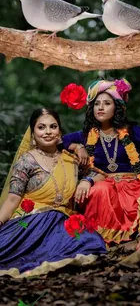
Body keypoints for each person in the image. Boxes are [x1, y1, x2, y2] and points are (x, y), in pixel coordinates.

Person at [0, 108, 106, 278]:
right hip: (30, 222)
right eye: (41, 127)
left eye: (53, 126)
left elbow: (101, 174)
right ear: (33, 134)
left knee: (91, 242)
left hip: (62, 222)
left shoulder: (72, 159)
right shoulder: (27, 160)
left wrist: (86, 180)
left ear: (60, 131)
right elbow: (12, 199)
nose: (48, 132)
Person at [62, 79, 140, 247]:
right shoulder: (87, 134)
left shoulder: (132, 130)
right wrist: (78, 146)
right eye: (97, 104)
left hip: (133, 185)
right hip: (104, 185)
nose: (101, 107)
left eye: (107, 103)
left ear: (117, 107)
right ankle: (98, 239)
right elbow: (58, 142)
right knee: (98, 190)